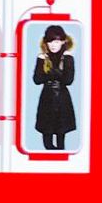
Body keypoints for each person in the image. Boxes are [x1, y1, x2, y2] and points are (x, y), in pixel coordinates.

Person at [33, 23, 78, 152]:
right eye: (50, 42)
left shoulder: (67, 57)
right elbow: (37, 79)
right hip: (46, 98)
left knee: (60, 134)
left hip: (62, 99)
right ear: (45, 42)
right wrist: (44, 64)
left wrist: (50, 74)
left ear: (63, 41)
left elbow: (68, 80)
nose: (53, 45)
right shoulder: (42, 57)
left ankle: (59, 157)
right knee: (46, 135)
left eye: (57, 42)